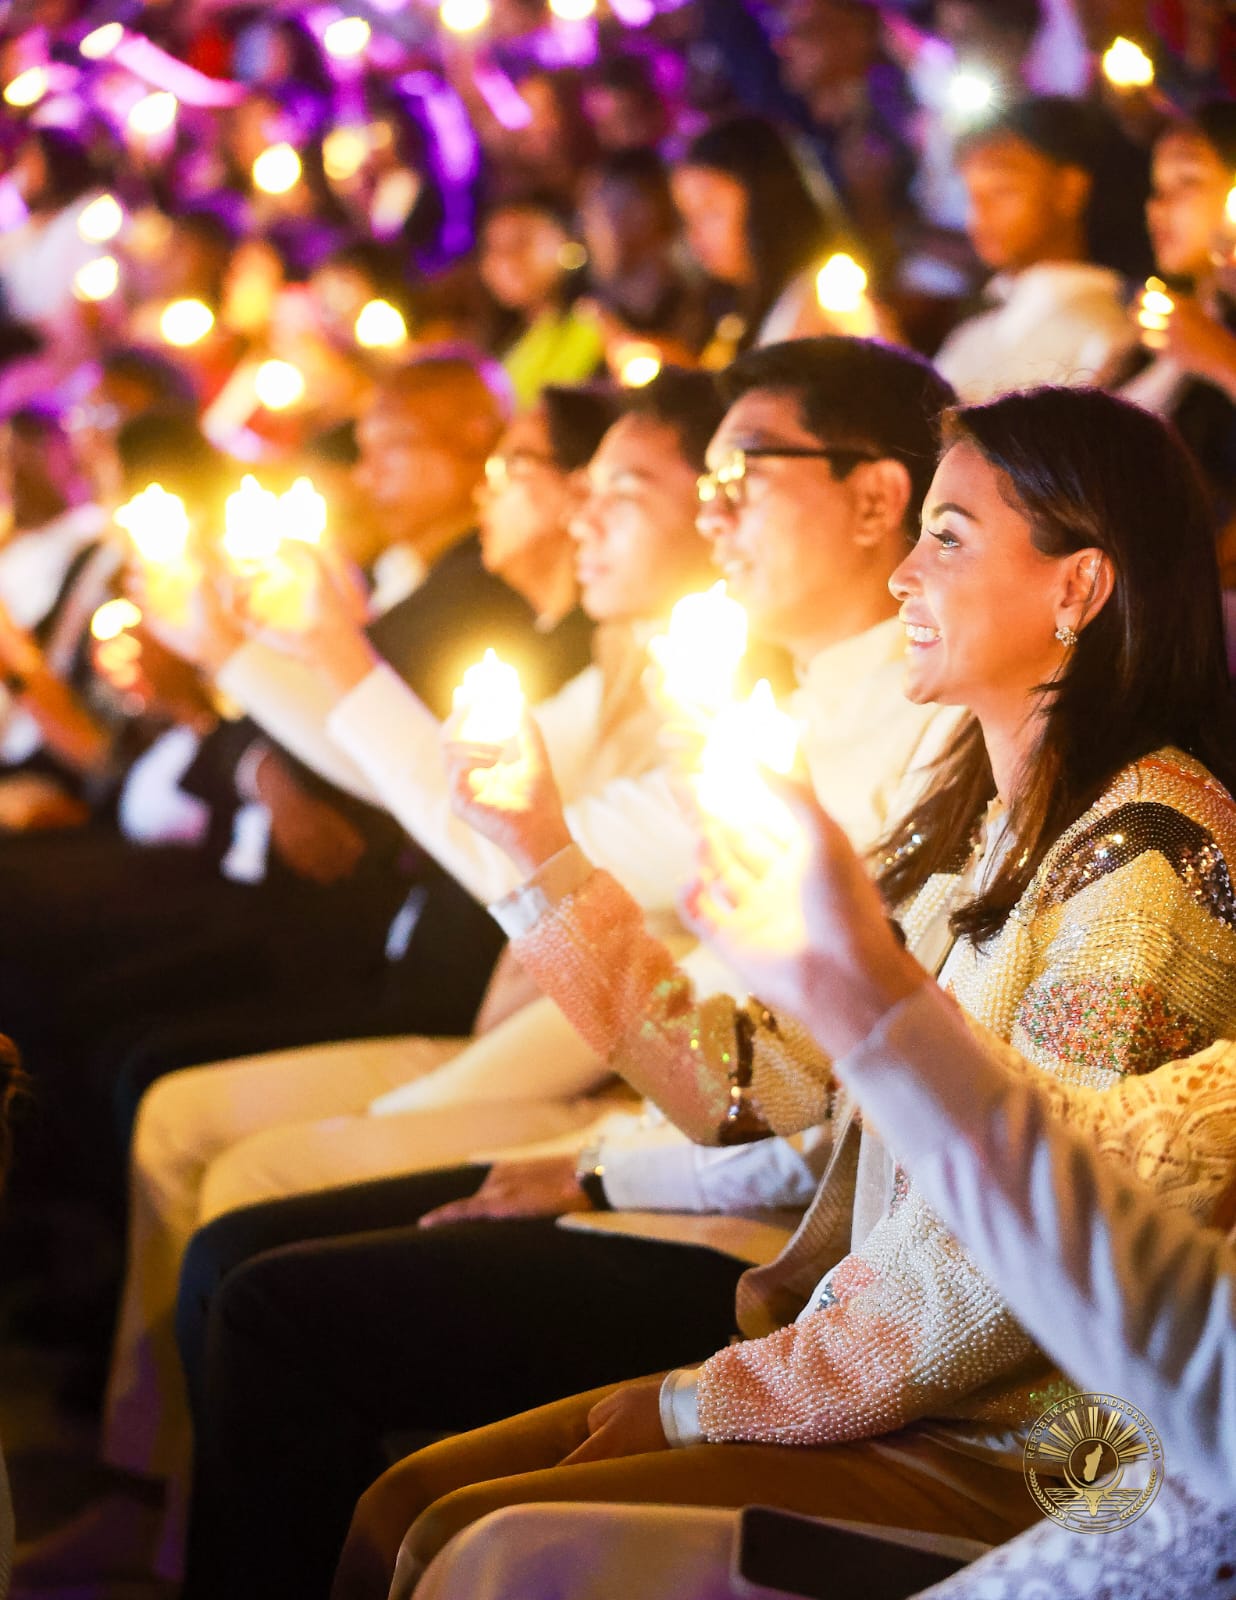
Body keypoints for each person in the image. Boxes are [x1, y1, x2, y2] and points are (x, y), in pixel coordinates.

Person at [335, 384, 1236, 1597]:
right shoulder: (992, 825)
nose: (906, 573)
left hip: (1038, 1450)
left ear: (1077, 587)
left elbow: (1002, 1256)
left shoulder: (1154, 861)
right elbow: (751, 1085)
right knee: (406, 1499)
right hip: (900, 1389)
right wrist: (538, 847)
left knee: (465, 1540)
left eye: (950, 536)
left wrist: (705, 1401)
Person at [167, 338, 958, 1600]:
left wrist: (597, 1154)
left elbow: (797, 1102)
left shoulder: (926, 746)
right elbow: (754, 1060)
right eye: (694, 488)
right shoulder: (788, 716)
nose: (714, 519)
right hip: (688, 1130)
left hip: (768, 1232)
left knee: (271, 1292)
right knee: (250, 1250)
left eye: (735, 480)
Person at [933, 98, 1141, 400]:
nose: (979, 215)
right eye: (971, 195)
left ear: (1069, 189)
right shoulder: (971, 335)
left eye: (1001, 190)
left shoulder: (1106, 334)